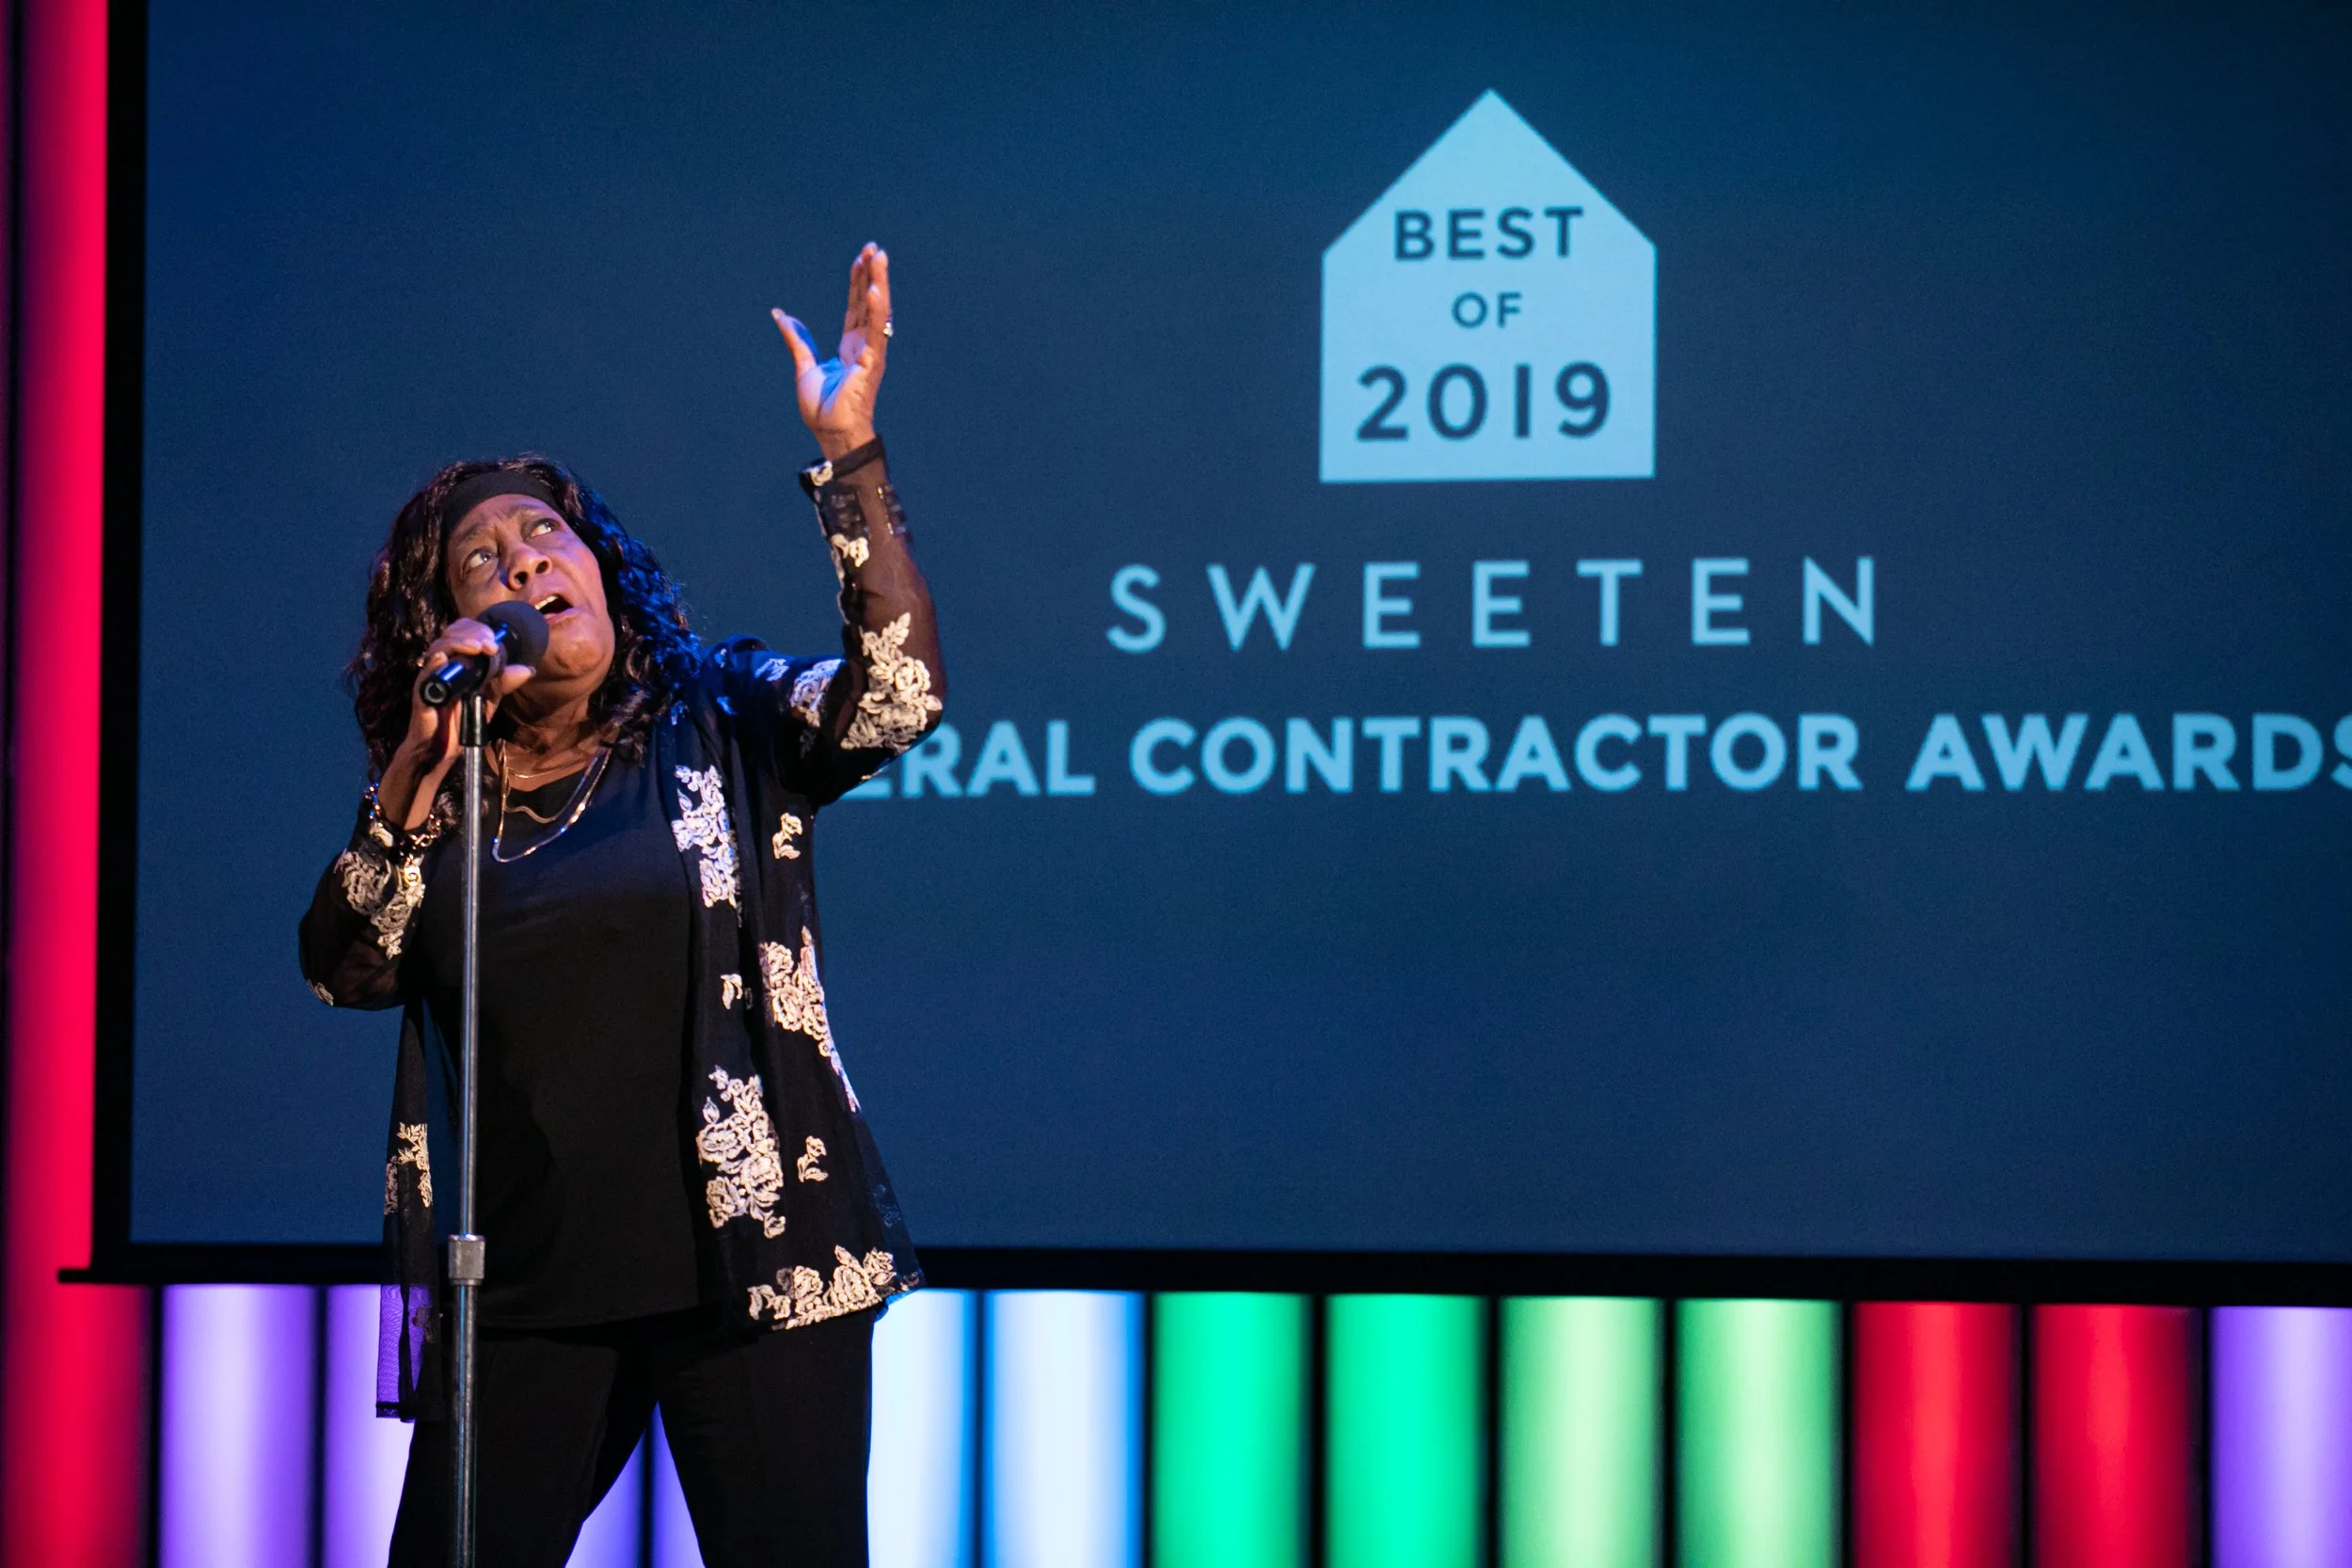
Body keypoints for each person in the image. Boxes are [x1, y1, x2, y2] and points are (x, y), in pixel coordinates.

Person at [297, 245, 940, 1567]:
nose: (524, 561)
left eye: (546, 534)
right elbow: (344, 964)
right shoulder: (446, 794)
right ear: (451, 623)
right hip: (530, 1281)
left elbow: (896, 699)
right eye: (483, 559)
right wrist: (416, 765)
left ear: (597, 568)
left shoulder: (721, 715)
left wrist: (850, 460)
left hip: (755, 1267)